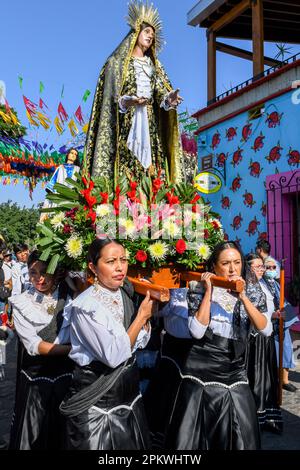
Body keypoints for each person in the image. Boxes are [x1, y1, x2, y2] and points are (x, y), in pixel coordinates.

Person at [149, 241, 272, 450]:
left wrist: (243, 298)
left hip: (234, 371)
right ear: (214, 266)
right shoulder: (198, 288)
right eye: (225, 263)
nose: (232, 269)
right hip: (200, 372)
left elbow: (266, 329)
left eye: (237, 262)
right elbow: (196, 330)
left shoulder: (252, 290)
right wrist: (208, 292)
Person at [60, 238, 154, 450]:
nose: (120, 267)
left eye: (123, 260)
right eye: (111, 261)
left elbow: (140, 341)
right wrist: (141, 318)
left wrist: (145, 321)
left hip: (129, 401)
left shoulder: (125, 294)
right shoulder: (85, 307)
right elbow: (115, 355)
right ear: (93, 267)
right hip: (97, 407)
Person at [83, 1, 184, 183]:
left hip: (149, 121)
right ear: (136, 32)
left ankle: (149, 206)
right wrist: (128, 101)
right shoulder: (117, 63)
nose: (150, 37)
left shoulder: (155, 66)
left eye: (152, 35)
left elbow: (160, 92)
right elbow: (112, 98)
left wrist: (169, 99)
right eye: (147, 32)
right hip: (127, 122)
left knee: (151, 165)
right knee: (127, 164)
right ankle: (123, 207)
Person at [8, 251, 75, 449]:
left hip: (67, 380)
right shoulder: (22, 303)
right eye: (33, 272)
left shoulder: (69, 296)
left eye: (46, 272)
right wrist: (73, 350)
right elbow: (34, 345)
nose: (40, 278)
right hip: (37, 383)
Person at [245, 253, 282, 433]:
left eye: (263, 267)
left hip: (267, 337)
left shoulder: (265, 284)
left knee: (269, 377)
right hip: (256, 339)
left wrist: (275, 315)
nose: (261, 270)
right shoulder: (248, 286)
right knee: (258, 377)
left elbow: (267, 309)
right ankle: (257, 418)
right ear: (248, 268)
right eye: (257, 267)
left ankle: (270, 416)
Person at [264, 256, 298, 393]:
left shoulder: (276, 284)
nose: (271, 270)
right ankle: (275, 380)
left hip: (283, 322)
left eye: (273, 267)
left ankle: (285, 380)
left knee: (287, 350)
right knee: (275, 353)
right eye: (268, 267)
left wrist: (287, 316)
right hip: (272, 323)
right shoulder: (262, 284)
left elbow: (283, 300)